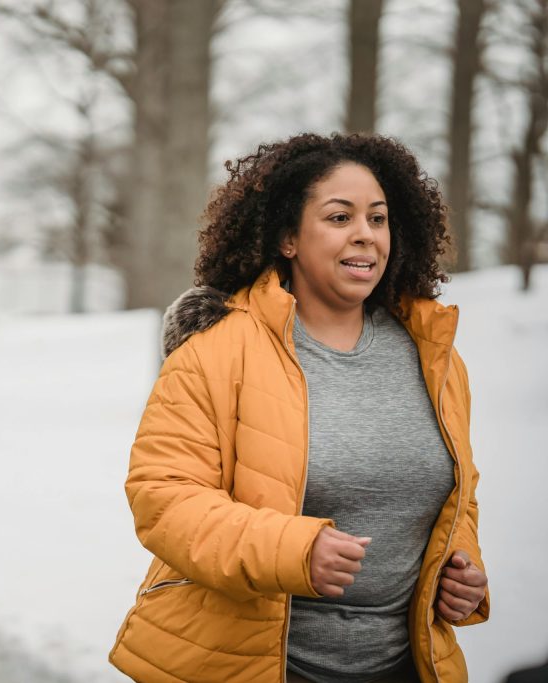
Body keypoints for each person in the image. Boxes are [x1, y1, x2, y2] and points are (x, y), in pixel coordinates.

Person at [109, 133, 488, 683]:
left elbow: (458, 495)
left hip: (405, 666)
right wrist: (295, 550)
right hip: (253, 665)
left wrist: (463, 569)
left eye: (378, 219)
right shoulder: (216, 350)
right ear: (288, 237)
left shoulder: (435, 357)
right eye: (340, 218)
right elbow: (164, 499)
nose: (365, 235)